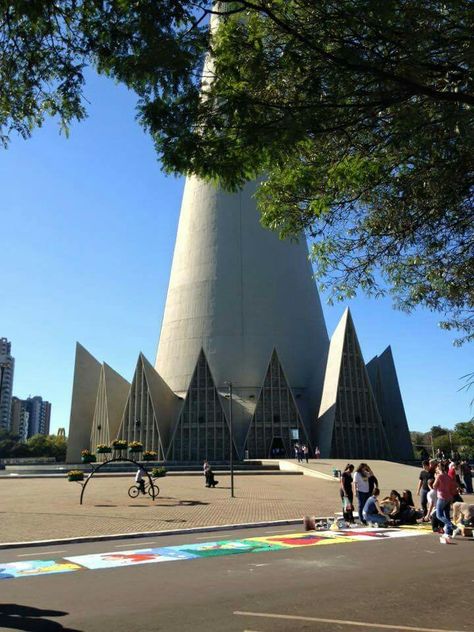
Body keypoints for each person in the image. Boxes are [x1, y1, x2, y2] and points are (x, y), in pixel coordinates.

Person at [433, 461, 458, 540]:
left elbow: (434, 486)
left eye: (437, 467)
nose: (436, 469)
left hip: (442, 497)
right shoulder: (447, 476)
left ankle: (452, 526)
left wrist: (435, 477)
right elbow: (451, 487)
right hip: (448, 497)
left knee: (439, 515)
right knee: (446, 515)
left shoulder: (439, 476)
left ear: (439, 468)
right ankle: (447, 533)